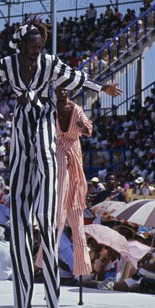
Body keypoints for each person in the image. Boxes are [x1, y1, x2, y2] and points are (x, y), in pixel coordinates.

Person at [0, 16, 122, 308]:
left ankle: (51, 228)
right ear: (23, 46)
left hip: (53, 145)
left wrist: (102, 88)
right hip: (22, 123)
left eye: (40, 46)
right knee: (24, 174)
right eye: (33, 46)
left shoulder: (56, 81)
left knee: (46, 164)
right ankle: (30, 231)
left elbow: (77, 77)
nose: (37, 51)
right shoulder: (9, 65)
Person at [53, 86, 93, 277]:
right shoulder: (50, 108)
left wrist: (82, 126)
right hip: (58, 149)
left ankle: (82, 266)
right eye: (60, 89)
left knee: (76, 213)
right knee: (59, 208)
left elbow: (88, 129)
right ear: (54, 90)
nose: (63, 92)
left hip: (74, 152)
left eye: (66, 89)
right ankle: (46, 260)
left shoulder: (76, 109)